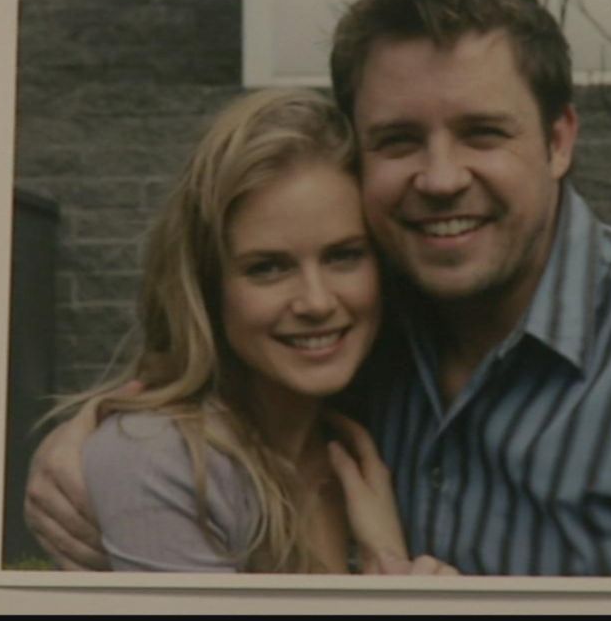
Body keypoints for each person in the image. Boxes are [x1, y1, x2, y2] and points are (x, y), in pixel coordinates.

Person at [27, 0, 611, 578]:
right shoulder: (371, 310)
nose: (438, 178)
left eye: (482, 133)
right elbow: (216, 370)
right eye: (398, 140)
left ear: (560, 140)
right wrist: (96, 432)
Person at [38, 88, 454, 575]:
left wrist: (388, 562)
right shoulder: (165, 462)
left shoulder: (379, 429)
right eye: (268, 268)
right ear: (207, 286)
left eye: (344, 256)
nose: (317, 302)